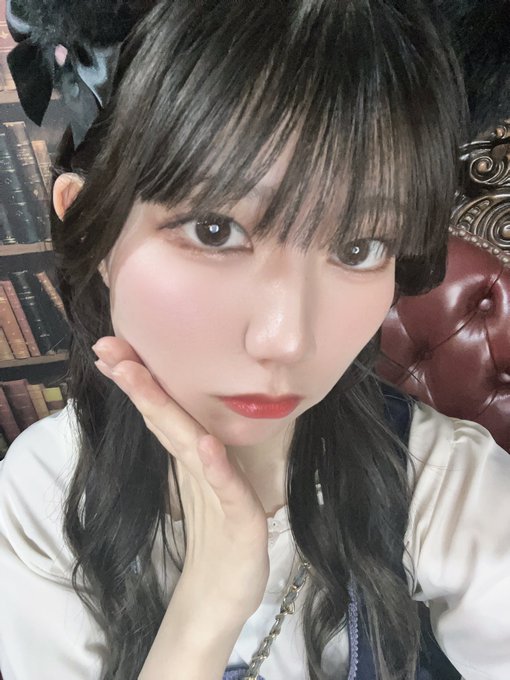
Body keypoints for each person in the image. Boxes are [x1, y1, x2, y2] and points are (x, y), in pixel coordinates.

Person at [0, 1, 509, 679]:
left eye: (358, 247)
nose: (286, 340)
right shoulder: (40, 500)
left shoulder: (440, 486)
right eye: (215, 231)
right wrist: (209, 601)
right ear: (90, 228)